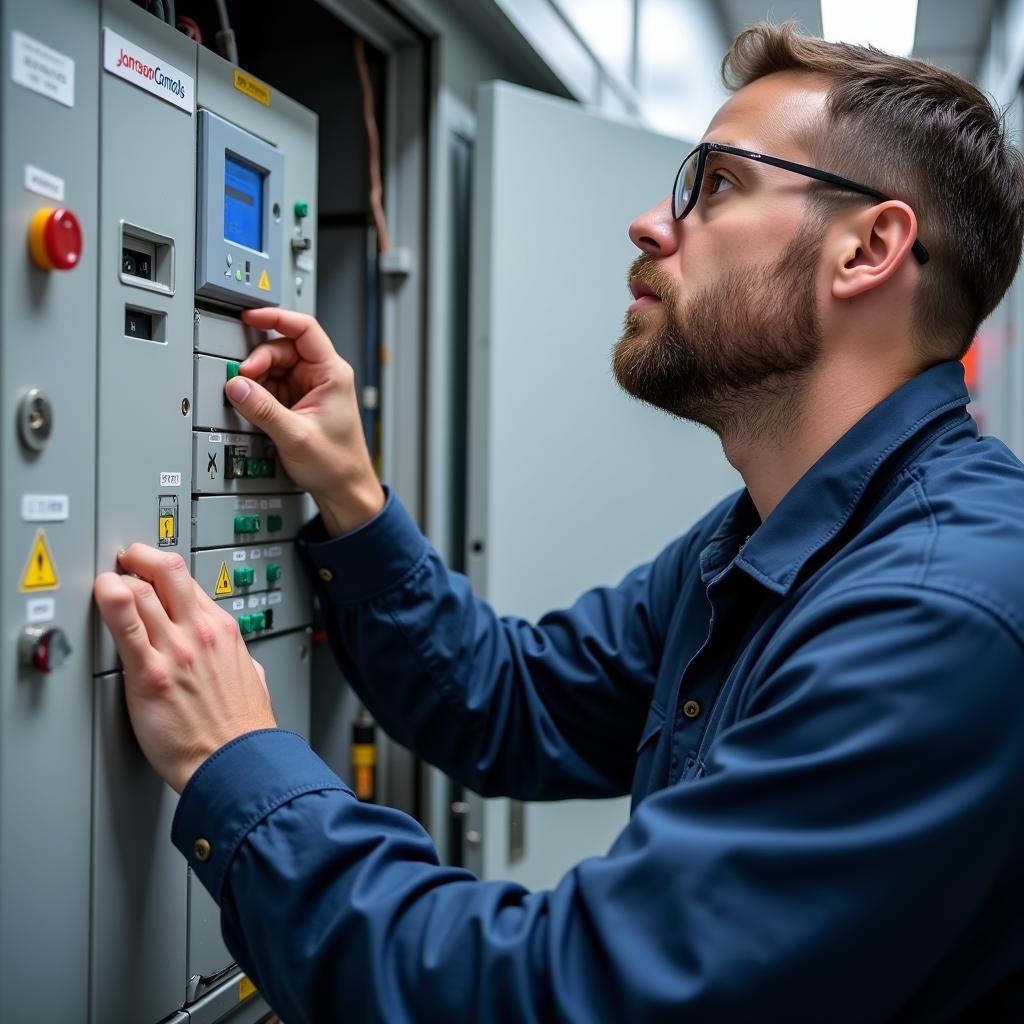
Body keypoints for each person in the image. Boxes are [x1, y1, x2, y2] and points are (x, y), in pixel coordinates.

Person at [94, 22, 1024, 1023]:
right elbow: (517, 701)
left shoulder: (935, 612)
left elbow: (557, 998)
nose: (648, 223)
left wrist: (236, 765)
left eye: (715, 184)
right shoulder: (768, 536)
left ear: (868, 247)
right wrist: (352, 495)